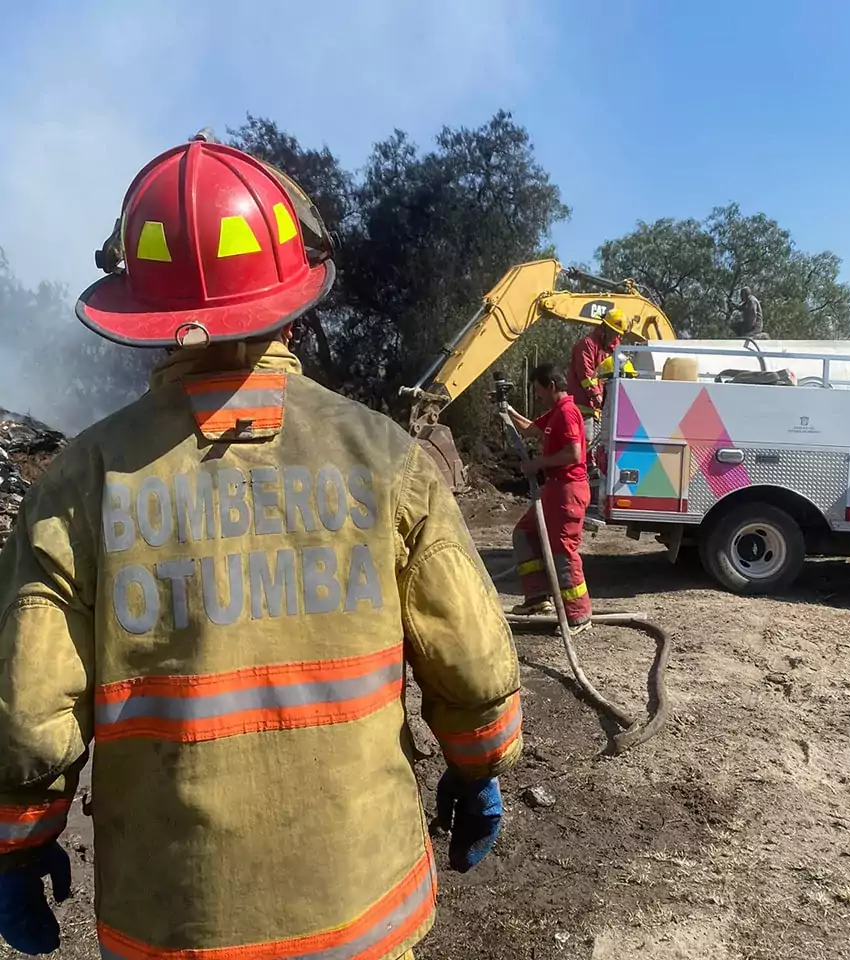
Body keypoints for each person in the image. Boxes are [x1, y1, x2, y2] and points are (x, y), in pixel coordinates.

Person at [0, 136, 522, 960]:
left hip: (174, 921)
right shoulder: (384, 456)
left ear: (142, 304)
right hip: (362, 909)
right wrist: (477, 766)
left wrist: (19, 843)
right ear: (296, 287)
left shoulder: (79, 481)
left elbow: (30, 711)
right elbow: (473, 662)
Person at [503, 363, 592, 636]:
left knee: (562, 550)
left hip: (568, 489)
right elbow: (531, 429)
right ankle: (538, 598)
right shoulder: (555, 413)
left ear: (551, 386)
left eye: (539, 391)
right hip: (555, 489)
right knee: (524, 534)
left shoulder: (567, 413)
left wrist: (538, 463)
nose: (538, 396)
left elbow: (573, 454)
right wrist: (506, 410)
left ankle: (578, 615)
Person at [568, 307, 629, 474]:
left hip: (600, 403)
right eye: (615, 332)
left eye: (620, 333)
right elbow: (586, 374)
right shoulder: (587, 345)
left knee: (601, 440)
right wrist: (596, 395)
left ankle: (593, 467)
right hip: (583, 402)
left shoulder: (613, 348)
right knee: (586, 439)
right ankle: (585, 468)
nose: (618, 336)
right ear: (605, 328)